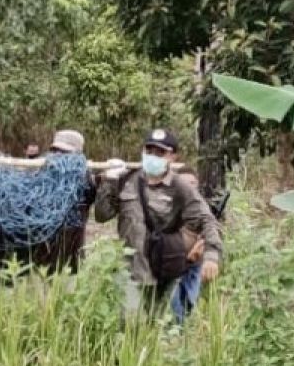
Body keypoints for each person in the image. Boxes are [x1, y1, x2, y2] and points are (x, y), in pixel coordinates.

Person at [95, 128, 222, 322]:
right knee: (131, 321)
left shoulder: (180, 188)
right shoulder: (127, 180)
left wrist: (212, 256)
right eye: (149, 150)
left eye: (160, 152)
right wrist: (109, 182)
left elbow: (206, 219)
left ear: (172, 156)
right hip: (129, 266)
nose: (153, 156)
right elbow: (102, 215)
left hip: (161, 267)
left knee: (156, 326)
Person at [39, 129, 98, 273]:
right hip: (41, 257)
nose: (59, 156)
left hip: (71, 256)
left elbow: (97, 201)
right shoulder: (41, 179)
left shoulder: (85, 181)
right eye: (55, 151)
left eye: (65, 152)